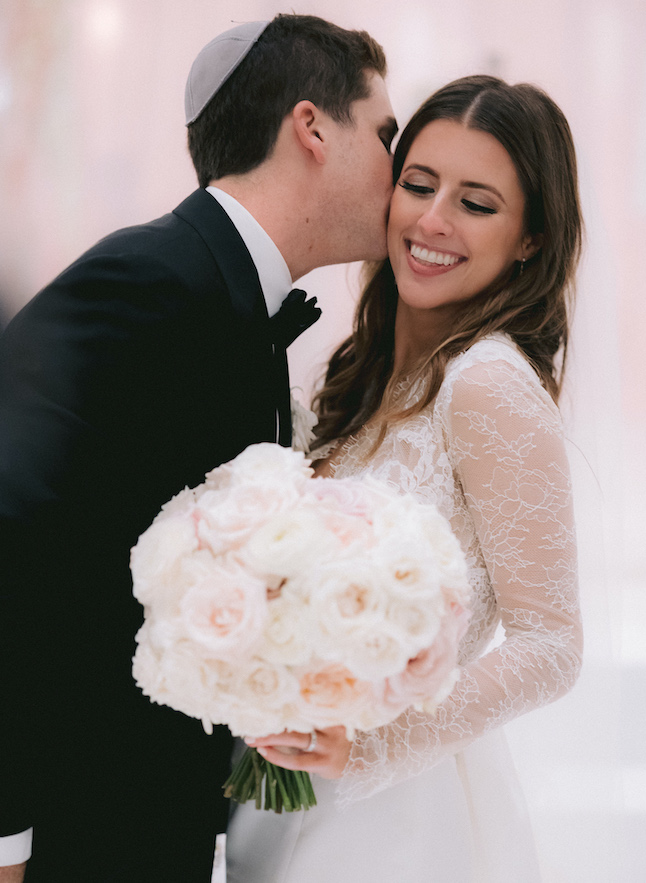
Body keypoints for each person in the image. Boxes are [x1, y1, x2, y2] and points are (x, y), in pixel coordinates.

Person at [0, 14, 397, 883]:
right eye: (386, 133)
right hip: (72, 833)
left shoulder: (232, 302)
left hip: (158, 829)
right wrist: (8, 833)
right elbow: (13, 545)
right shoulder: (143, 279)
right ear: (312, 129)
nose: (400, 172)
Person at [225, 75, 584, 882]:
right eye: (419, 185)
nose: (432, 220)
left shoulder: (486, 381)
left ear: (529, 239)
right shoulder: (364, 370)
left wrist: (372, 744)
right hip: (301, 782)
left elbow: (553, 641)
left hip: (402, 819)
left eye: (478, 203)